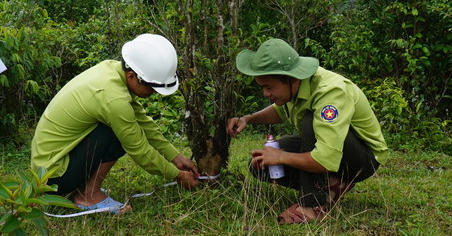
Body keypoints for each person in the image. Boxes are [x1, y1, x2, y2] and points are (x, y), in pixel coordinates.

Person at [31, 34, 200, 214]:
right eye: (151, 87)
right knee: (118, 132)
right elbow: (140, 150)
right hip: (53, 178)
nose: (153, 93)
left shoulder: (111, 71)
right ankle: (88, 196)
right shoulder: (114, 99)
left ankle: (86, 189)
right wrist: (178, 176)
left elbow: (143, 122)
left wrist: (176, 157)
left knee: (124, 126)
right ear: (132, 76)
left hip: (48, 166)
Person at [227, 38, 388, 224]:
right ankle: (332, 185)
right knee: (262, 165)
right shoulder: (294, 87)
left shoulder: (330, 93)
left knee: (309, 121)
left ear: (292, 79)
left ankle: (311, 205)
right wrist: (248, 118)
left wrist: (280, 157)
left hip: (363, 159)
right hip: (332, 152)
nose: (265, 94)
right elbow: (280, 111)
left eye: (269, 87)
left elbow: (324, 159)